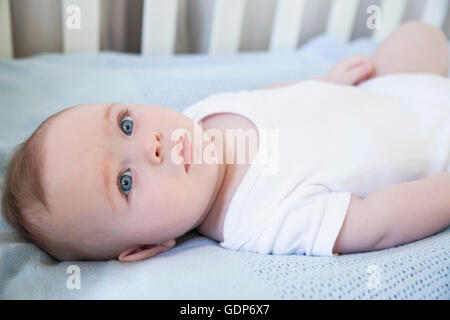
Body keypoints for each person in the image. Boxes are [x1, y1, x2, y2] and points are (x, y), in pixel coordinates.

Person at [1, 21, 449, 261]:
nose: (151, 144)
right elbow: (377, 221)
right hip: (433, 142)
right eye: (124, 182)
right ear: (145, 248)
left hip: (387, 90)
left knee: (419, 36)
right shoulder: (257, 222)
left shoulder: (202, 115)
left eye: (125, 125)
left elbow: (269, 100)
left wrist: (325, 81)